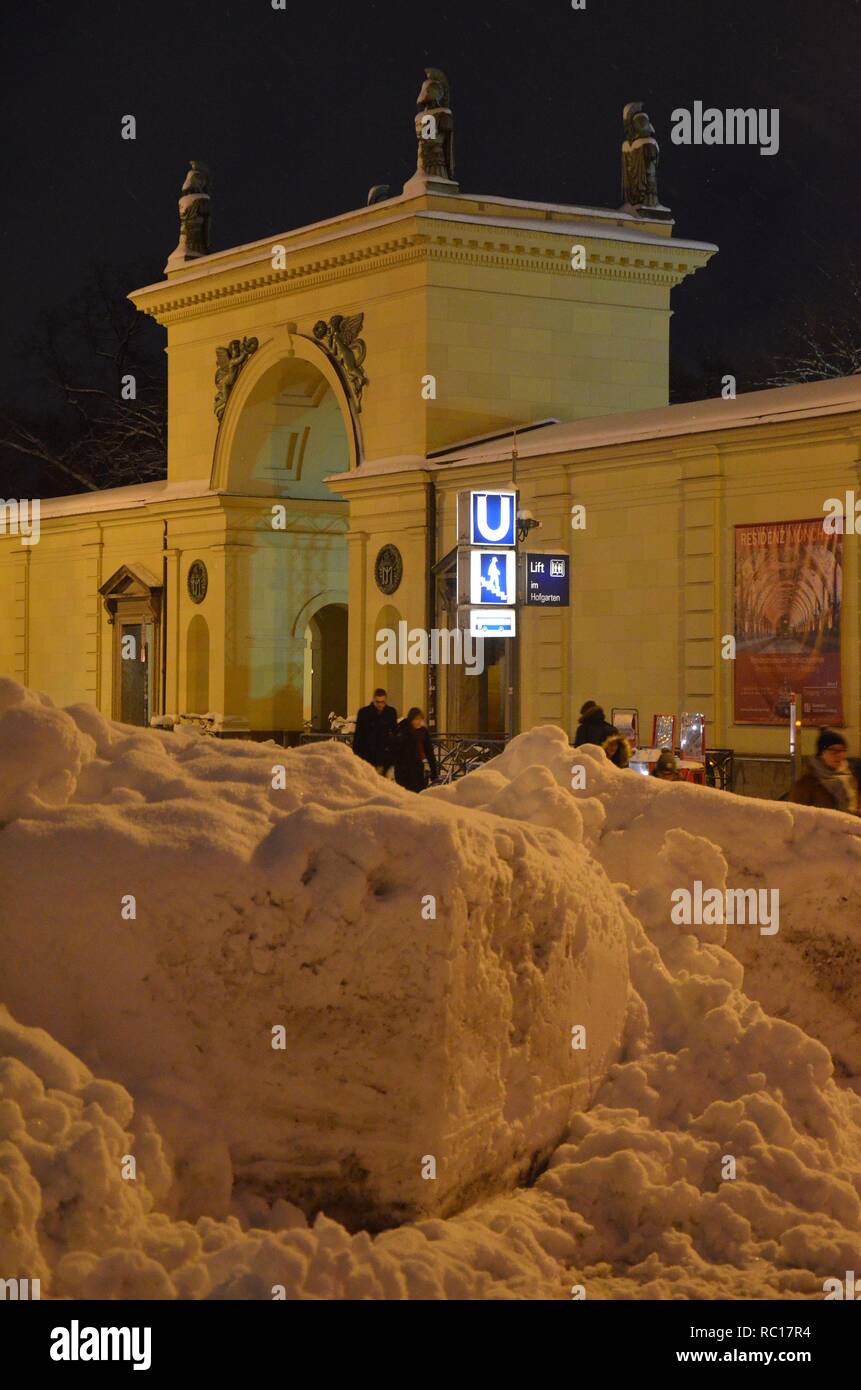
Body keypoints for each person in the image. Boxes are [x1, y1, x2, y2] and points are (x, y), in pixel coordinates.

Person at [788, 729, 861, 816]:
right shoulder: (807, 784)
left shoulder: (851, 778)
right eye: (833, 751)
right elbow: (798, 815)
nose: (839, 755)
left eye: (842, 750)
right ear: (821, 753)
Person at [352, 689, 398, 776]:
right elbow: (358, 736)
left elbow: (394, 734)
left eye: (382, 702)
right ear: (373, 700)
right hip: (368, 755)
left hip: (385, 756)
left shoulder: (390, 713)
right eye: (378, 702)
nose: (380, 705)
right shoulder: (364, 713)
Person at [393, 707, 438, 792]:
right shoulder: (403, 730)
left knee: (419, 793)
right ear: (411, 719)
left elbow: (429, 752)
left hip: (417, 767)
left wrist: (434, 772)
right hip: (404, 769)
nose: (418, 722)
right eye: (416, 719)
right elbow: (396, 749)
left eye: (420, 719)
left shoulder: (423, 732)